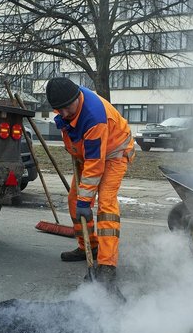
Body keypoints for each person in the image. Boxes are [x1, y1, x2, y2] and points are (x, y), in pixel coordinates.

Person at [46, 77, 135, 292]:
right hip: (89, 154)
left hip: (114, 153)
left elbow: (95, 165)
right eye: (59, 110)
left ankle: (107, 264)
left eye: (67, 108)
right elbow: (76, 137)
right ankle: (89, 246)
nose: (64, 113)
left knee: (106, 205)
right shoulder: (67, 102)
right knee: (74, 200)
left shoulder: (94, 118)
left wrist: (86, 201)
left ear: (78, 97)